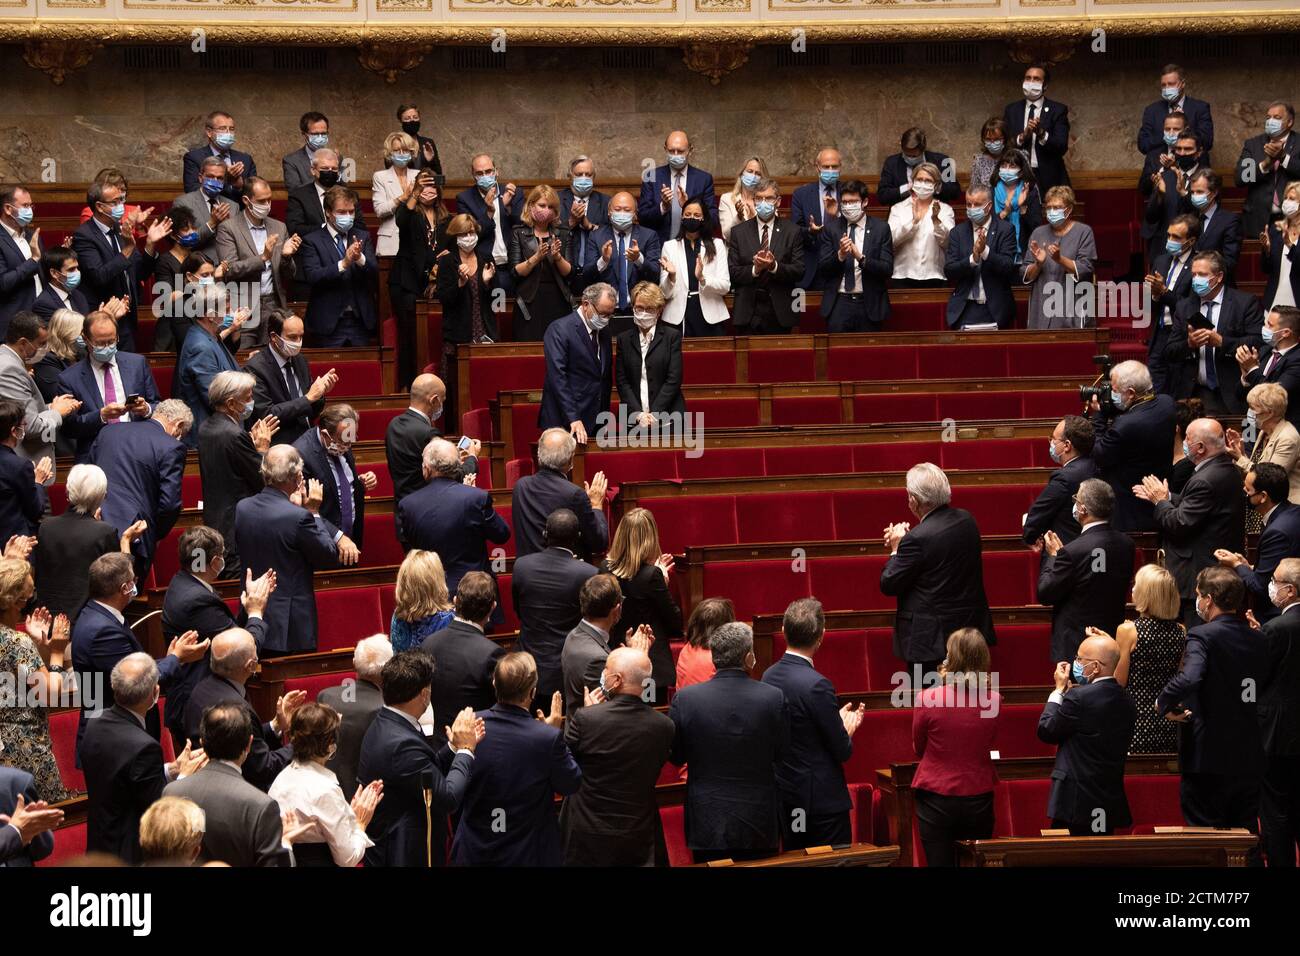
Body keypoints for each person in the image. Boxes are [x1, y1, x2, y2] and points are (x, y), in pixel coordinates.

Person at [1157, 567, 1267, 857]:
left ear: (1208, 599)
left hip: (1207, 756)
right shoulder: (1259, 638)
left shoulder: (1202, 635)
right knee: (1245, 839)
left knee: (1204, 841)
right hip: (1250, 755)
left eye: (1197, 596)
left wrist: (1163, 702)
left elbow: (1190, 677)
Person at [669, 622, 789, 863]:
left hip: (707, 818)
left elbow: (676, 756)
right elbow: (781, 753)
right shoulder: (773, 697)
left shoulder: (686, 699)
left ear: (715, 659)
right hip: (758, 818)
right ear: (748, 658)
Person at [71, 552, 207, 757]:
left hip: (113, 732)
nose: (136, 584)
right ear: (124, 588)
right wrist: (176, 658)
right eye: (133, 580)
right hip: (115, 739)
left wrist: (170, 657)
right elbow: (135, 681)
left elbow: (130, 665)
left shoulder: (97, 614)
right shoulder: (103, 631)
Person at [451, 652, 581, 866]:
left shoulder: (469, 725)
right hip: (528, 854)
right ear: (533, 692)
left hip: (476, 849)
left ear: (495, 684)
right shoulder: (546, 738)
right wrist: (553, 736)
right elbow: (570, 783)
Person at [356, 651, 481, 867]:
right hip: (403, 854)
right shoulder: (402, 744)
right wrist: (466, 750)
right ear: (424, 693)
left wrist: (452, 748)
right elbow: (448, 798)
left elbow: (423, 774)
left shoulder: (389, 722)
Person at [81, 653, 206, 863]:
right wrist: (184, 777)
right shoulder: (144, 747)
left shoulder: (95, 722)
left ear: (114, 687)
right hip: (129, 853)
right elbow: (160, 811)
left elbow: (125, 776)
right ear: (155, 693)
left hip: (99, 843)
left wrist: (172, 769)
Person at [761, 598, 862, 850]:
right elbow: (843, 750)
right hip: (821, 805)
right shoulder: (818, 685)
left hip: (787, 796)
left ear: (783, 632)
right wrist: (845, 728)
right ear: (821, 637)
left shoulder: (768, 676)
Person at [561, 646, 675, 866]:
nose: (602, 674)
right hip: (637, 833)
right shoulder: (664, 725)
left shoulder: (586, 719)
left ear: (616, 679)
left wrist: (591, 714)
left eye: (606, 670)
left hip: (588, 832)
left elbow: (566, 765)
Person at [160, 526, 273, 748]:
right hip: (198, 705)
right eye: (221, 556)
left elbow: (225, 632)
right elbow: (242, 650)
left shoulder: (185, 582)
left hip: (196, 696)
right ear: (213, 562)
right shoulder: (196, 599)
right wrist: (256, 612)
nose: (223, 561)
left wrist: (247, 606)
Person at [880, 463, 996, 675]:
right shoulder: (967, 520)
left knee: (931, 702)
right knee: (970, 700)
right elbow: (935, 554)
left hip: (929, 643)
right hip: (969, 635)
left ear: (913, 501)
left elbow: (889, 583)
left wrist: (897, 549)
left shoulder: (916, 539)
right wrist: (908, 542)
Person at [235, 445, 347, 655]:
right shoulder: (298, 517)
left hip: (251, 611)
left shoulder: (243, 508)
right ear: (297, 477)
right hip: (289, 625)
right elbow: (329, 557)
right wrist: (313, 511)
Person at [1136, 417, 1247, 626]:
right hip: (1214, 570)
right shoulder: (1226, 468)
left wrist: (1159, 501)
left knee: (1199, 637)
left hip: (1200, 574)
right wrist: (1168, 497)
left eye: (1187, 438)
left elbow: (1179, 524)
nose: (1183, 442)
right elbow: (1200, 507)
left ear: (1200, 447)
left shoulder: (1205, 479)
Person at [911, 627, 1002, 866]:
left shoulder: (927, 698)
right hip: (978, 794)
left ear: (950, 658)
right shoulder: (994, 700)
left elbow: (919, 747)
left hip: (936, 795)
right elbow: (988, 742)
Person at [163, 702, 290, 867]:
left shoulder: (171, 791)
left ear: (202, 742)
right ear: (249, 744)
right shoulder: (261, 806)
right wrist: (286, 844)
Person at [1038, 633, 1136, 835]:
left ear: (1096, 667)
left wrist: (1058, 691)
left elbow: (1047, 730)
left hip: (1076, 801)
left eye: (1080, 659)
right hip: (1106, 800)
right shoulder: (1127, 700)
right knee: (1099, 855)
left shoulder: (1078, 698)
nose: (1076, 663)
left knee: (1068, 856)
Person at [182, 628, 298, 791]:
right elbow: (263, 769)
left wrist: (275, 725)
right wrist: (301, 744)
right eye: (255, 651)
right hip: (234, 790)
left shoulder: (202, 688)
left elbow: (236, 737)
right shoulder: (237, 708)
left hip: (207, 783)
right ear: (251, 666)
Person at [269, 703, 383, 867]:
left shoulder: (281, 778)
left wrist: (347, 813)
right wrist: (359, 823)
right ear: (331, 746)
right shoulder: (325, 790)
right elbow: (348, 859)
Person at [1036, 478, 1137, 664]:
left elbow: (1045, 593)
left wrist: (1053, 557)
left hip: (1077, 647)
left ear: (1083, 509)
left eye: (1077, 500)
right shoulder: (1127, 545)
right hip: (1112, 640)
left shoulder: (1072, 552)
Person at [88, 399, 190, 580]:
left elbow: (89, 474)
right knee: (127, 593)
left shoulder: (108, 431)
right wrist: (153, 534)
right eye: (182, 433)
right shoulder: (172, 446)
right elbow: (170, 504)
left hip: (94, 525)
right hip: (135, 533)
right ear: (179, 426)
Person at [398, 438, 510, 600]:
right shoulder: (476, 498)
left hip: (431, 593)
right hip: (474, 594)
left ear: (427, 469)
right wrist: (472, 499)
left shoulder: (408, 505)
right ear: (457, 467)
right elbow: (502, 535)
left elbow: (412, 545)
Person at [0, 557, 73, 801]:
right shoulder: (16, 643)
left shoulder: (18, 642)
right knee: (44, 820)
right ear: (18, 601)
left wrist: (39, 645)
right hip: (23, 748)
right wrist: (57, 651)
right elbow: (50, 694)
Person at [512, 508, 598, 705]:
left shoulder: (521, 566)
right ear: (577, 537)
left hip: (527, 666)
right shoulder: (588, 573)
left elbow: (518, 611)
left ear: (545, 534)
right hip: (567, 668)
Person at [198, 371, 278, 580]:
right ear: (232, 403)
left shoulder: (207, 427)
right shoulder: (234, 435)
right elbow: (263, 478)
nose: (252, 402)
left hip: (216, 521)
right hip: (235, 528)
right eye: (249, 397)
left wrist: (248, 445)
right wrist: (262, 449)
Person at [72, 182, 169, 350]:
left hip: (126, 320)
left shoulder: (119, 230)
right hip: (102, 319)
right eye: (115, 202)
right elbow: (99, 276)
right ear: (100, 207)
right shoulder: (84, 236)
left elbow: (139, 273)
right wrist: (127, 250)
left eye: (121, 200)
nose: (121, 206)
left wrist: (150, 244)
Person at [385, 373, 480, 544]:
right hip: (430, 519)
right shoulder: (428, 433)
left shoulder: (393, 425)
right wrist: (472, 457)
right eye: (442, 400)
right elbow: (454, 477)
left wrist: (450, 454)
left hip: (404, 518)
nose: (442, 405)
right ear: (434, 400)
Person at [602, 507, 680, 706]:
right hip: (649, 669)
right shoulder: (652, 576)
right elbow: (675, 623)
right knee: (650, 715)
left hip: (616, 662)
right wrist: (663, 580)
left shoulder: (604, 569)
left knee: (621, 717)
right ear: (650, 537)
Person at [58, 311, 160, 463]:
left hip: (137, 450)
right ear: (85, 339)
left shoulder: (137, 364)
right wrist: (101, 415)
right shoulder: (69, 378)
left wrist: (146, 409)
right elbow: (68, 428)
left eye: (111, 341)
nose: (107, 347)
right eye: (100, 343)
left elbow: (157, 405)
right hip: (97, 456)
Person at [1088, 359, 1177, 532]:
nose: (1111, 394)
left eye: (1114, 391)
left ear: (1130, 393)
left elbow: (1099, 454)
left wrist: (1099, 414)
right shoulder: (1167, 404)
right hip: (1159, 497)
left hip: (1128, 506)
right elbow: (1139, 410)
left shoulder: (1125, 426)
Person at [215, 177, 300, 349]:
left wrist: (286, 257)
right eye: (262, 201)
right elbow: (229, 269)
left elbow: (290, 275)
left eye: (269, 199)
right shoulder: (228, 228)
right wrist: (263, 258)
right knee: (242, 360)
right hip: (243, 307)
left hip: (273, 306)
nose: (267, 204)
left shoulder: (279, 227)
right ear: (246, 200)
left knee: (271, 362)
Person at [32, 463, 125, 621]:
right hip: (85, 624)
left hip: (45, 621)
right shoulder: (105, 532)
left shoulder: (45, 527)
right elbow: (115, 584)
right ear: (102, 495)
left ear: (67, 492)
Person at [1113, 564, 1186, 755]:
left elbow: (1119, 681)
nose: (1133, 589)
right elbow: (1178, 675)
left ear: (1146, 594)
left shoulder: (1128, 630)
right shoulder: (1181, 631)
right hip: (1167, 720)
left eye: (1137, 585)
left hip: (1136, 721)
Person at [421, 571, 506, 733]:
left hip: (439, 746)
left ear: (455, 601)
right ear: (493, 607)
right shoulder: (493, 654)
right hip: (476, 747)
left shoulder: (428, 644)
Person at [1256, 557, 1300, 867]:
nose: (1269, 586)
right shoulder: (1273, 629)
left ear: (1290, 591)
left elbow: (1258, 679)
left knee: (1276, 812)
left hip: (1280, 736)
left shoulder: (1276, 628)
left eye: (1274, 580)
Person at [1216, 462, 1300, 622]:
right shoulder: (1294, 512)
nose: (1244, 493)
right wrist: (1251, 567)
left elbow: (1260, 586)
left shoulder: (1277, 532)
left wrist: (1236, 565)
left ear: (1263, 497)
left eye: (1248, 490)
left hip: (1276, 617)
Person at [1, 311, 80, 478]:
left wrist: (52, 406)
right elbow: (30, 426)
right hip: (24, 468)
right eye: (41, 343)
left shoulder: (9, 361)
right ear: (23, 343)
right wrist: (58, 412)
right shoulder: (9, 369)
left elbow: (25, 411)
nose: (45, 348)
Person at [391, 169, 452, 386]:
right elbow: (401, 221)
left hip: (434, 283)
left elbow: (453, 245)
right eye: (424, 185)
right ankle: (409, 385)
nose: (429, 190)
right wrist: (413, 194)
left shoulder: (446, 217)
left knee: (434, 336)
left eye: (432, 185)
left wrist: (448, 256)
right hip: (407, 283)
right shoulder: (409, 212)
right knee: (410, 338)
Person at [511, 426, 608, 560]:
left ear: (539, 456)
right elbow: (598, 544)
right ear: (570, 461)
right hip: (565, 576)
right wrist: (596, 505)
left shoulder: (520, 487)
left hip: (526, 573)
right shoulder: (575, 495)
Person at [245, 310, 337, 449]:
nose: (298, 342)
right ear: (274, 337)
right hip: (279, 446)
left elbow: (310, 411)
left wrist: (320, 394)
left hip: (308, 441)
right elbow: (267, 415)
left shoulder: (300, 360)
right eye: (292, 337)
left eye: (301, 337)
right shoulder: (255, 368)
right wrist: (309, 398)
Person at [300, 186, 378, 348]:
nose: (348, 216)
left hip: (360, 321)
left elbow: (375, 272)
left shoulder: (362, 236)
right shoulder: (312, 240)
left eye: (351, 212)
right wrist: (344, 263)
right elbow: (313, 276)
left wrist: (360, 258)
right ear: (328, 212)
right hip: (328, 323)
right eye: (342, 212)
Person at [537, 283, 615, 442]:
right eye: (602, 314)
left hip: (596, 419)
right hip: (565, 421)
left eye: (610, 315)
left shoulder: (604, 332)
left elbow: (603, 376)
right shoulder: (560, 329)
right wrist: (573, 417)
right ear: (586, 304)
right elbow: (558, 378)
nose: (605, 320)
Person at [435, 215, 497, 412]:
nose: (469, 237)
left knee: (485, 384)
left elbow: (498, 299)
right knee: (457, 389)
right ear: (455, 236)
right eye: (464, 233)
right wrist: (460, 284)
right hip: (458, 333)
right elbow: (444, 299)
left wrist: (487, 283)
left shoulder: (486, 257)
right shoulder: (447, 262)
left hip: (484, 329)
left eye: (472, 233)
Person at [317, 635, 391, 799]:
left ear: (354, 664)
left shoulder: (325, 696)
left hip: (322, 790)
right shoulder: (385, 709)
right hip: (366, 798)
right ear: (388, 670)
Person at [294, 403, 372, 557]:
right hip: (322, 546)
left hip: (350, 543)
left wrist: (359, 483)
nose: (347, 447)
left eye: (351, 441)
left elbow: (340, 482)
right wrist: (338, 537)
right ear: (324, 434)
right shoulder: (301, 455)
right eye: (343, 442)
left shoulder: (342, 439)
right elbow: (305, 507)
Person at [728, 178, 804, 332]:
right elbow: (732, 272)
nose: (763, 202)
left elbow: (799, 271)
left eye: (768, 198)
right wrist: (755, 269)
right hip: (748, 311)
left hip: (781, 311)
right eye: (759, 198)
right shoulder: (738, 232)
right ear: (753, 201)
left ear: (778, 201)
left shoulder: (792, 231)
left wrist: (774, 266)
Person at [818, 179, 893, 332]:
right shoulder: (831, 229)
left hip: (869, 303)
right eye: (844, 202)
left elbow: (887, 269)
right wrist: (840, 255)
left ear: (864, 202)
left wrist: (861, 258)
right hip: (839, 303)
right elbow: (823, 268)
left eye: (853, 201)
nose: (848, 206)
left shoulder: (881, 228)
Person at [577, 191, 661, 330]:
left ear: (635, 214)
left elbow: (655, 274)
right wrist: (603, 260)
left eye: (627, 210)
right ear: (609, 212)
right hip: (606, 312)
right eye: (617, 209)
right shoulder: (596, 236)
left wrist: (639, 259)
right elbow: (586, 276)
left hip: (639, 311)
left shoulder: (649, 236)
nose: (622, 213)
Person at [175, 286, 243, 446]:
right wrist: (243, 405)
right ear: (209, 314)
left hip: (220, 432)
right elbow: (215, 398)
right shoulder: (201, 347)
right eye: (226, 309)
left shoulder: (210, 336)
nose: (231, 313)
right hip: (210, 438)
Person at [943, 182, 1018, 329]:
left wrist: (985, 252)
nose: (971, 209)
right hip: (965, 308)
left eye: (976, 204)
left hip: (995, 308)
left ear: (989, 206)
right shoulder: (957, 233)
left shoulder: (1005, 229)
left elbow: (1008, 267)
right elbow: (949, 270)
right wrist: (973, 259)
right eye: (968, 204)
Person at [615, 281, 685, 435]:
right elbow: (622, 381)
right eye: (639, 308)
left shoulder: (671, 337)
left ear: (659, 310)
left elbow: (673, 379)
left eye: (649, 309)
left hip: (669, 417)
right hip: (633, 418)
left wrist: (654, 414)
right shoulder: (624, 339)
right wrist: (639, 415)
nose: (643, 312)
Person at [509, 184, 576, 342]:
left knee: (558, 345)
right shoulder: (518, 232)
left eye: (551, 207)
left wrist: (557, 257)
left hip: (558, 297)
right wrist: (537, 257)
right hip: (529, 299)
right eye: (542, 205)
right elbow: (515, 272)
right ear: (531, 205)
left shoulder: (564, 233)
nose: (546, 210)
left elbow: (569, 273)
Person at [1023, 186, 1097, 329]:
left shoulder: (1084, 232)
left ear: (1068, 209)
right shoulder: (1038, 233)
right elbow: (1026, 273)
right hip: (1042, 307)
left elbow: (1086, 269)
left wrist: (1060, 259)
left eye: (1057, 207)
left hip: (1071, 308)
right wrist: (1038, 264)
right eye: (1049, 207)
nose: (1051, 212)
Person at [1023, 415, 1098, 555]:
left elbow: (1039, 512)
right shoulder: (1095, 466)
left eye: (1053, 439)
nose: (1051, 442)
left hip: (1065, 553)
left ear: (1067, 445)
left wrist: (1030, 536)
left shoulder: (1064, 478)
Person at [659, 197, 731, 336]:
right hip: (678, 317)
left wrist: (703, 279)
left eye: (697, 215)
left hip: (711, 316)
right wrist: (671, 276)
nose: (691, 218)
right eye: (687, 214)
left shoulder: (717, 245)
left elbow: (725, 287)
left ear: (704, 219)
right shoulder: (670, 246)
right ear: (681, 217)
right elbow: (665, 293)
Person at [1146, 213, 1201, 394]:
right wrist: (1154, 294)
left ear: (1191, 241)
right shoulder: (1161, 260)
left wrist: (1164, 292)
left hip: (1182, 336)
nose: (1170, 240)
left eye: (1176, 237)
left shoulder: (1199, 266)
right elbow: (1152, 303)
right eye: (1169, 235)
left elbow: (1190, 307)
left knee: (1177, 392)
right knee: (1154, 390)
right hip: (1160, 334)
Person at [1227, 383, 1300, 514]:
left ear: (1269, 413)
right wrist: (1241, 452)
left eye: (1253, 408)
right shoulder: (1264, 432)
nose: (1250, 413)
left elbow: (1269, 479)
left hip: (1283, 509)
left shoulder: (1288, 438)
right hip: (1264, 505)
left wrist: (1240, 458)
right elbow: (1258, 466)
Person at [637, 130, 718, 244]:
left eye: (680, 151)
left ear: (690, 150)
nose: (675, 155)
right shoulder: (651, 177)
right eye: (671, 151)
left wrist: (688, 206)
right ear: (665, 149)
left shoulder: (704, 179)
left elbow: (713, 220)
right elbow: (643, 218)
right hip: (659, 247)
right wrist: (663, 207)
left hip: (693, 245)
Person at [1142, 126, 1205, 267]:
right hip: (1164, 247)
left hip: (1194, 251)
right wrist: (1160, 194)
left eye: (1188, 149)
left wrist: (1184, 193)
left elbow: (1203, 214)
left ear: (1199, 152)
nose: (1182, 153)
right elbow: (1150, 217)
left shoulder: (1205, 178)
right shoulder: (1165, 176)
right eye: (1179, 149)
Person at [561, 573, 624, 715]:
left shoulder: (574, 635)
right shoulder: (597, 659)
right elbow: (616, 709)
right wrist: (637, 658)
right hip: (592, 735)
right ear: (617, 610)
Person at [1236, 100, 1300, 237]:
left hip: (1293, 219)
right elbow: (1241, 179)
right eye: (1268, 117)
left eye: (1277, 118)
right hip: (1257, 220)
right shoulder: (1253, 145)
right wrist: (1265, 164)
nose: (1271, 121)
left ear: (1289, 122)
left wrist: (1283, 158)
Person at [1003, 63, 1071, 192]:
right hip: (1018, 176)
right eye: (1028, 78)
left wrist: (1041, 133)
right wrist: (1022, 137)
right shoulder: (1011, 110)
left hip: (1049, 177)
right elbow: (1005, 144)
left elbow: (1061, 146)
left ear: (1045, 85)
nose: (1031, 82)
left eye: (1036, 79)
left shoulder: (1058, 110)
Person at [888, 162, 954, 285]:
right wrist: (913, 222)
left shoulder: (945, 210)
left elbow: (949, 244)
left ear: (936, 185)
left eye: (928, 181)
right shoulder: (897, 209)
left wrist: (936, 220)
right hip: (902, 275)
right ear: (912, 182)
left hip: (935, 276)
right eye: (919, 179)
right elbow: (891, 241)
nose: (923, 184)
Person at [1238, 306, 1300, 429]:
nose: (1264, 328)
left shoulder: (1297, 360)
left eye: (1270, 325)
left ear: (1286, 332)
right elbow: (1239, 395)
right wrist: (1245, 376)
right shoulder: (1264, 351)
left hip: (1280, 430)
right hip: (1250, 427)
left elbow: (1273, 398)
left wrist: (1251, 369)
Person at [791, 147, 844, 290]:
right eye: (826, 167)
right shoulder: (801, 194)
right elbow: (794, 231)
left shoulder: (849, 191)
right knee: (801, 310)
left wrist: (837, 215)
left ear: (841, 167)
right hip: (811, 266)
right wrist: (811, 231)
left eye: (835, 166)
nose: (831, 170)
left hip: (842, 264)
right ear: (817, 167)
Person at [170, 155, 239, 262]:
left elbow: (237, 241)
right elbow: (185, 242)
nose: (215, 181)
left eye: (220, 178)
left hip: (228, 267)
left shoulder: (233, 206)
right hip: (197, 268)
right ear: (200, 177)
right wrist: (212, 223)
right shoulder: (183, 203)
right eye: (210, 177)